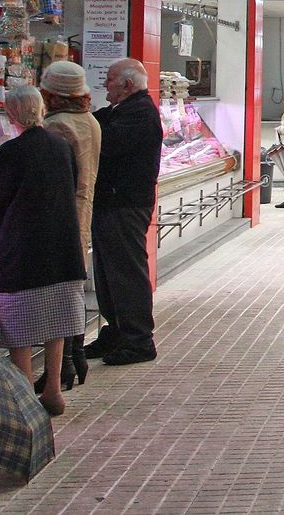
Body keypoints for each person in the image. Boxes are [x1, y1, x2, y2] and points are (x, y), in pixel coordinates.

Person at [0, 86, 86, 417]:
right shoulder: (62, 146)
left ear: (10, 116)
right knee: (57, 323)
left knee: (18, 327)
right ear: (40, 110)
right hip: (63, 249)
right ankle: (53, 388)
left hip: (22, 253)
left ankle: (24, 390)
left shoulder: (7, 153)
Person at [85, 58, 164, 366]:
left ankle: (138, 339)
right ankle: (116, 331)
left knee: (126, 272)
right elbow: (97, 120)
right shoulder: (125, 110)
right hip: (112, 203)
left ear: (128, 86)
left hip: (125, 204)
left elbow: (105, 142)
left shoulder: (140, 114)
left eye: (110, 81)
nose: (105, 85)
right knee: (107, 274)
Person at [40, 60, 99, 391]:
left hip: (61, 217)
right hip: (82, 214)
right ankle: (75, 357)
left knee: (60, 293)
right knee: (73, 289)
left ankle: (63, 365)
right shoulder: (89, 120)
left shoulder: (57, 126)